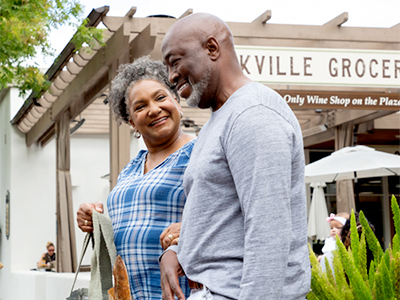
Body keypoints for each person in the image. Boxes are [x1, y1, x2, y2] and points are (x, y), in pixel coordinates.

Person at [159, 13, 311, 300]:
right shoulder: (221, 119)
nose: (171, 76)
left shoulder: (253, 114)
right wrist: (177, 250)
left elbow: (269, 232)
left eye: (175, 61)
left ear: (212, 48)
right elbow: (220, 218)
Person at [76, 56, 194, 299]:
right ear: (132, 123)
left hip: (176, 292)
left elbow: (230, 217)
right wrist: (94, 219)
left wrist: (192, 229)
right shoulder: (130, 169)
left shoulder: (200, 153)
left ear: (177, 102)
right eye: (140, 107)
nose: (153, 109)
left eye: (161, 97)